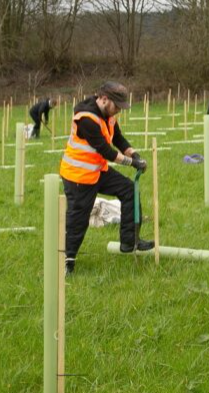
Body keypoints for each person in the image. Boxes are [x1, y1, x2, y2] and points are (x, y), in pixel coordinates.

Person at [60, 81, 151, 274]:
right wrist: (131, 163)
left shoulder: (108, 115)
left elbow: (117, 138)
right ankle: (67, 261)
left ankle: (130, 241)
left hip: (97, 171)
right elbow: (106, 151)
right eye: (116, 106)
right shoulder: (86, 118)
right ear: (103, 99)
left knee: (129, 189)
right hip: (78, 176)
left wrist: (134, 153)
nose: (118, 110)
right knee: (78, 220)